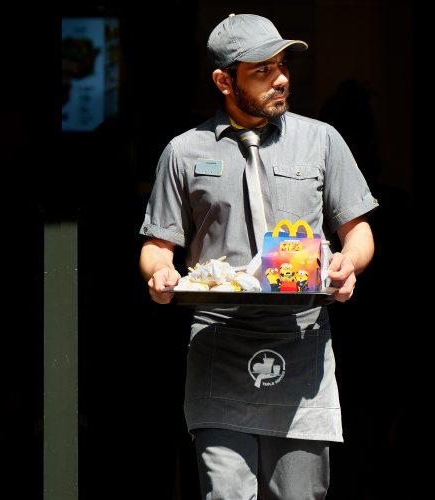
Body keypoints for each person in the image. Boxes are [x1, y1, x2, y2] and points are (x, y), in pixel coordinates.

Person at [138, 13, 377, 499]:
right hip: (218, 343)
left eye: (282, 65)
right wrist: (161, 275)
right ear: (224, 81)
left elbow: (359, 231)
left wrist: (349, 262)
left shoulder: (321, 140)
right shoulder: (184, 152)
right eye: (263, 70)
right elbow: (156, 247)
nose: (282, 78)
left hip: (302, 343)